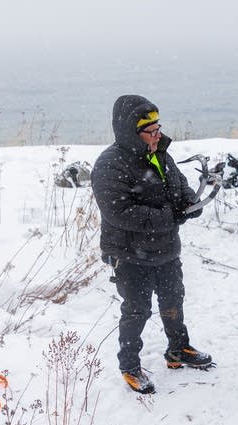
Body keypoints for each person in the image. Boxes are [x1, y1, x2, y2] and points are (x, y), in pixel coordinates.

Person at [91, 94, 213, 394]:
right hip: (129, 253)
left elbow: (179, 187)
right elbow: (118, 211)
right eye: (151, 130)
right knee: (137, 309)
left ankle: (178, 350)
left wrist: (189, 203)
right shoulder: (109, 165)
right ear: (131, 132)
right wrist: (168, 216)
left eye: (159, 127)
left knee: (173, 300)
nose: (158, 134)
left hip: (166, 249)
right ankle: (130, 365)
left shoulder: (160, 155)